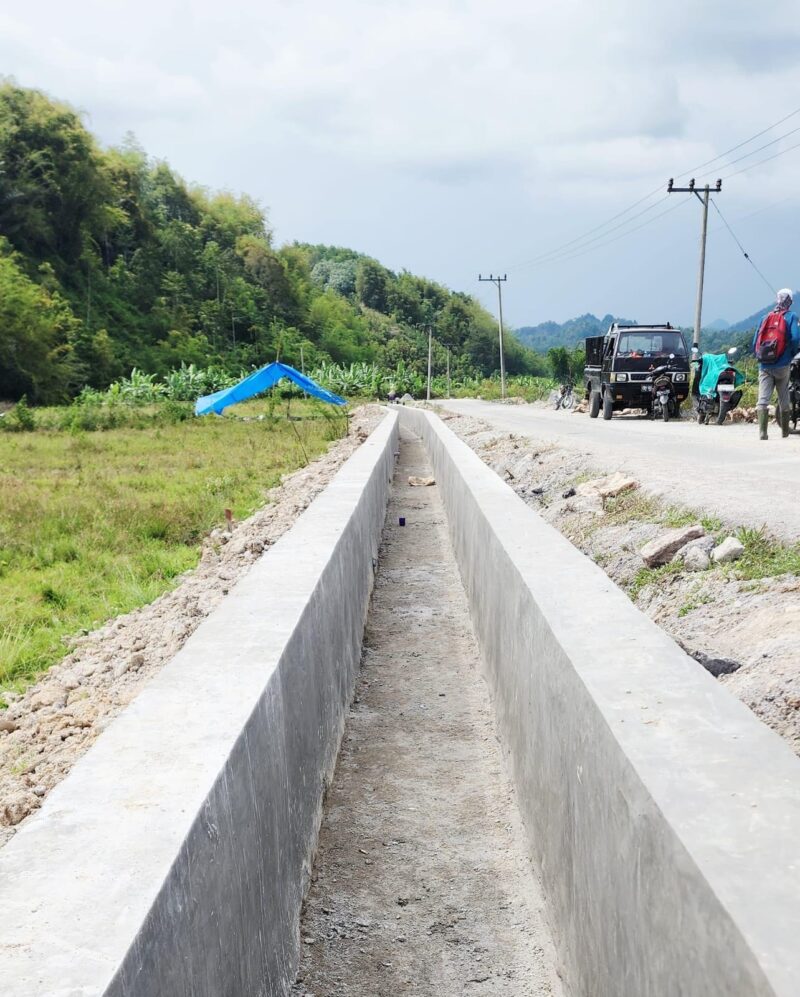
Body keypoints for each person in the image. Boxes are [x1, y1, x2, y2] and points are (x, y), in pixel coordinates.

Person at [753, 288, 799, 440]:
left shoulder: (764, 317)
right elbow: (795, 338)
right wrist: (790, 354)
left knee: (763, 399)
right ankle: (785, 431)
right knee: (783, 395)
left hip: (764, 365)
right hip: (783, 364)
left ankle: (762, 432)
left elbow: (755, 342)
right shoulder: (792, 317)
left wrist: (761, 357)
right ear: (789, 301)